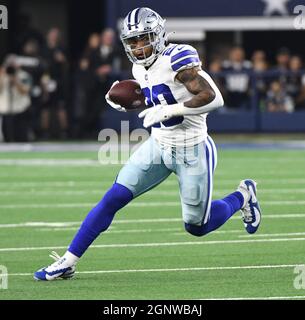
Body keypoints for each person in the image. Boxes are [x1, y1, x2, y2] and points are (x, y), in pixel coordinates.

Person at [34, 7, 261, 281]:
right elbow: (155, 99)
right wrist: (127, 102)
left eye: (144, 39)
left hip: (193, 149)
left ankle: (243, 196)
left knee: (197, 227)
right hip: (159, 145)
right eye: (133, 41)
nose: (140, 47)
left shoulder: (178, 58)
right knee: (113, 198)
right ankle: (68, 261)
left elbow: (214, 98)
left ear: (159, 34)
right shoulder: (137, 67)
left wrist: (175, 110)